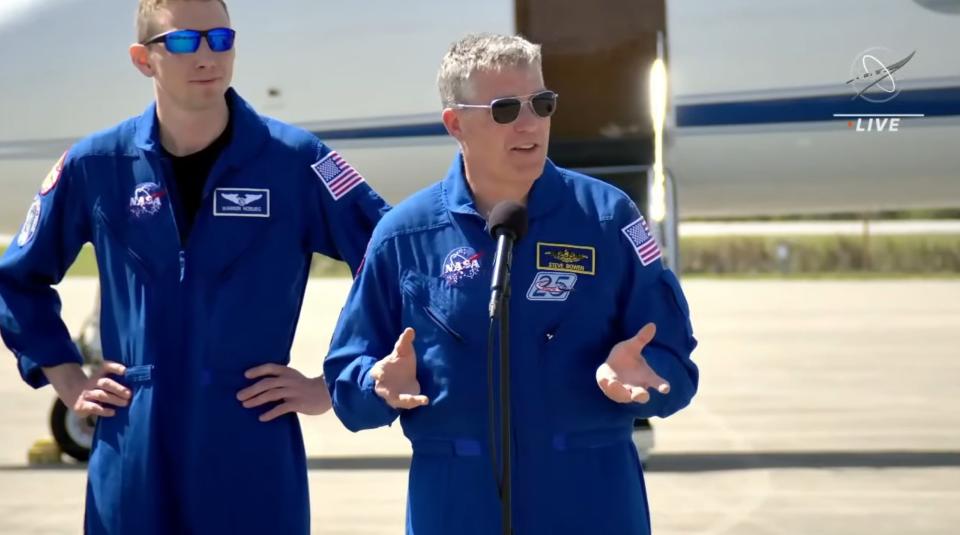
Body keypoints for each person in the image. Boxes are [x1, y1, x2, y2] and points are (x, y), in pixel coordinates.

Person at [0, 0, 388, 533]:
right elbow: (16, 276)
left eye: (220, 40)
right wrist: (65, 374)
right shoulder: (97, 165)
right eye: (184, 42)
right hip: (133, 441)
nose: (207, 56)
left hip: (250, 437)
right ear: (144, 59)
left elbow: (396, 261)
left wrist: (332, 383)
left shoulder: (295, 160)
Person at [323, 33, 699, 534]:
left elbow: (674, 358)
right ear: (456, 124)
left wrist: (647, 378)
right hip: (455, 506)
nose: (530, 124)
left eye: (542, 104)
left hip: (590, 502)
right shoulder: (405, 235)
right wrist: (378, 385)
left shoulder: (607, 219)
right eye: (504, 109)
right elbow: (347, 376)